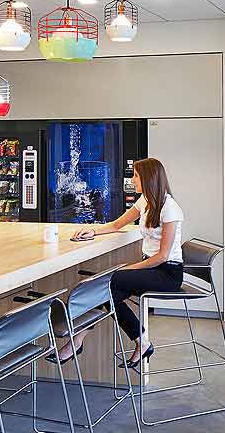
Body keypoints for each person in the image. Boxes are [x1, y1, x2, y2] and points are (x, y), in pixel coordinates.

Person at [52, 157, 184, 368]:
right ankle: (139, 342)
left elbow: (163, 256)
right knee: (107, 291)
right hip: (151, 268)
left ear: (149, 179)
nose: (133, 180)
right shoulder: (145, 201)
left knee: (108, 284)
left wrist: (129, 268)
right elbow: (117, 224)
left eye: (136, 176)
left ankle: (78, 339)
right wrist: (92, 231)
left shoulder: (170, 208)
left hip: (168, 274)